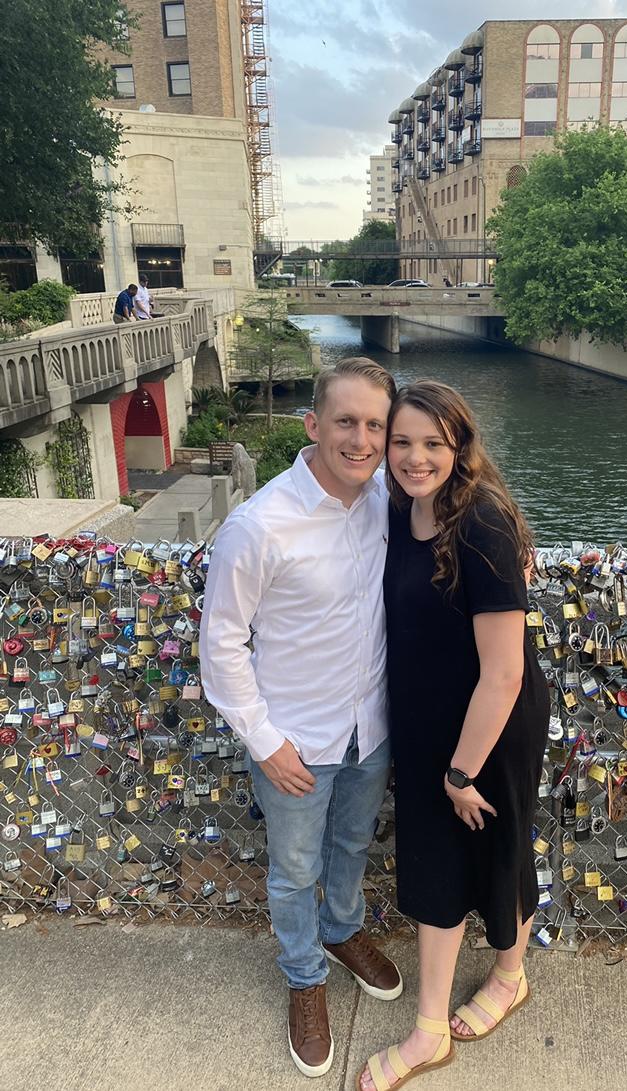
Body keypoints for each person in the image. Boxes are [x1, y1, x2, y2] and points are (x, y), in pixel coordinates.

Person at [200, 358, 403, 1080]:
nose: (362, 439)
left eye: (375, 424)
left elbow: (458, 493)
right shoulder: (260, 524)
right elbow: (220, 640)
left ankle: (343, 930)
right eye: (346, 421)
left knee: (351, 845)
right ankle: (304, 975)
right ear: (312, 425)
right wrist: (264, 739)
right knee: (292, 870)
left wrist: (513, 535)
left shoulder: (386, 497)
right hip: (294, 740)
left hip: (369, 728)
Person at [357, 380, 549, 1091]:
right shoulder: (399, 508)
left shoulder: (484, 521)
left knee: (499, 845)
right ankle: (431, 1028)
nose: (413, 457)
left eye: (432, 443)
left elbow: (503, 672)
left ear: (460, 446)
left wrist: (462, 772)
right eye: (400, 441)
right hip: (426, 719)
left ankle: (509, 974)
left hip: (490, 726)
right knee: (434, 860)